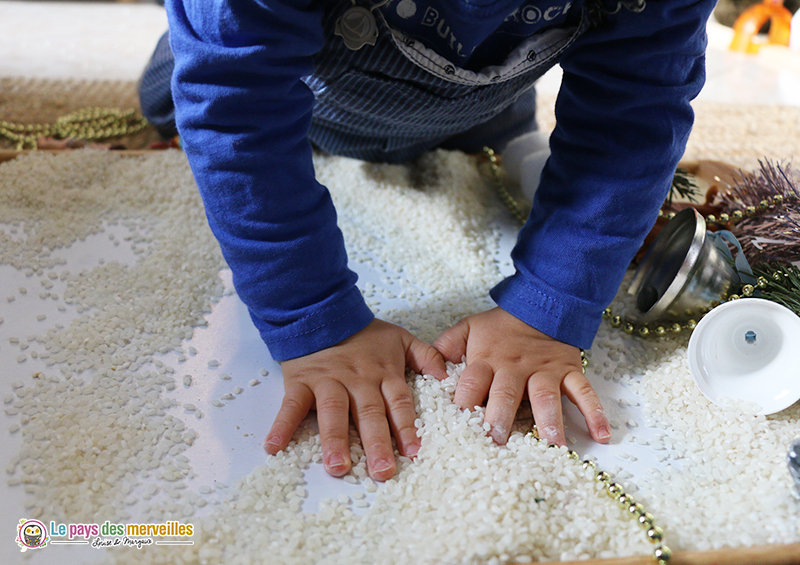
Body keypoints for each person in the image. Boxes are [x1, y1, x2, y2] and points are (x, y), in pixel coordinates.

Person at [141, 0, 716, 482]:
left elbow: (633, 117)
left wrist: (550, 307)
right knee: (172, 96)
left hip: (476, 93)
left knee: (495, 121)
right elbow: (234, 105)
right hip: (297, 71)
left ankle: (508, 132)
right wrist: (314, 318)